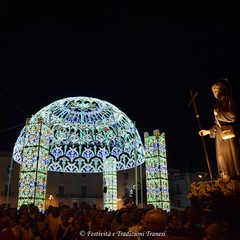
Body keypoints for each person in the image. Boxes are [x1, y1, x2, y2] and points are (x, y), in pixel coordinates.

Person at [198, 78, 240, 183]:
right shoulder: (218, 105)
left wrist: (219, 114)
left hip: (228, 134)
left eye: (216, 91)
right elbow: (217, 124)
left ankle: (231, 176)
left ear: (222, 90)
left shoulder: (228, 100)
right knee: (221, 156)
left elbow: (232, 116)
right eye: (213, 92)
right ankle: (224, 176)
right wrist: (208, 131)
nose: (214, 94)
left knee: (228, 156)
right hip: (219, 135)